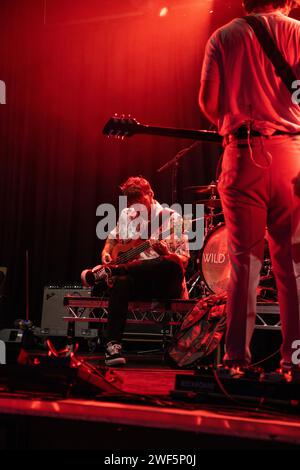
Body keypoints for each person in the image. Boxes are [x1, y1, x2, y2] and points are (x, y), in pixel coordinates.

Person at [199, 0, 300, 372]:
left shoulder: (223, 36)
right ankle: (295, 362)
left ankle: (236, 361)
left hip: (242, 154)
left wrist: (240, 112)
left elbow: (208, 103)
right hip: (292, 152)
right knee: (293, 265)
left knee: (245, 263)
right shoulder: (299, 33)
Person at [87, 177, 190, 366]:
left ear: (150, 194)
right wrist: (106, 251)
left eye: (140, 204)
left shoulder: (172, 217)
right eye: (132, 206)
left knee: (171, 262)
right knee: (122, 281)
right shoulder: (127, 215)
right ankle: (113, 345)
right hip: (138, 282)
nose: (136, 210)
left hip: (163, 283)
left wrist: (167, 253)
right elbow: (112, 238)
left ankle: (113, 271)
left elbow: (183, 261)